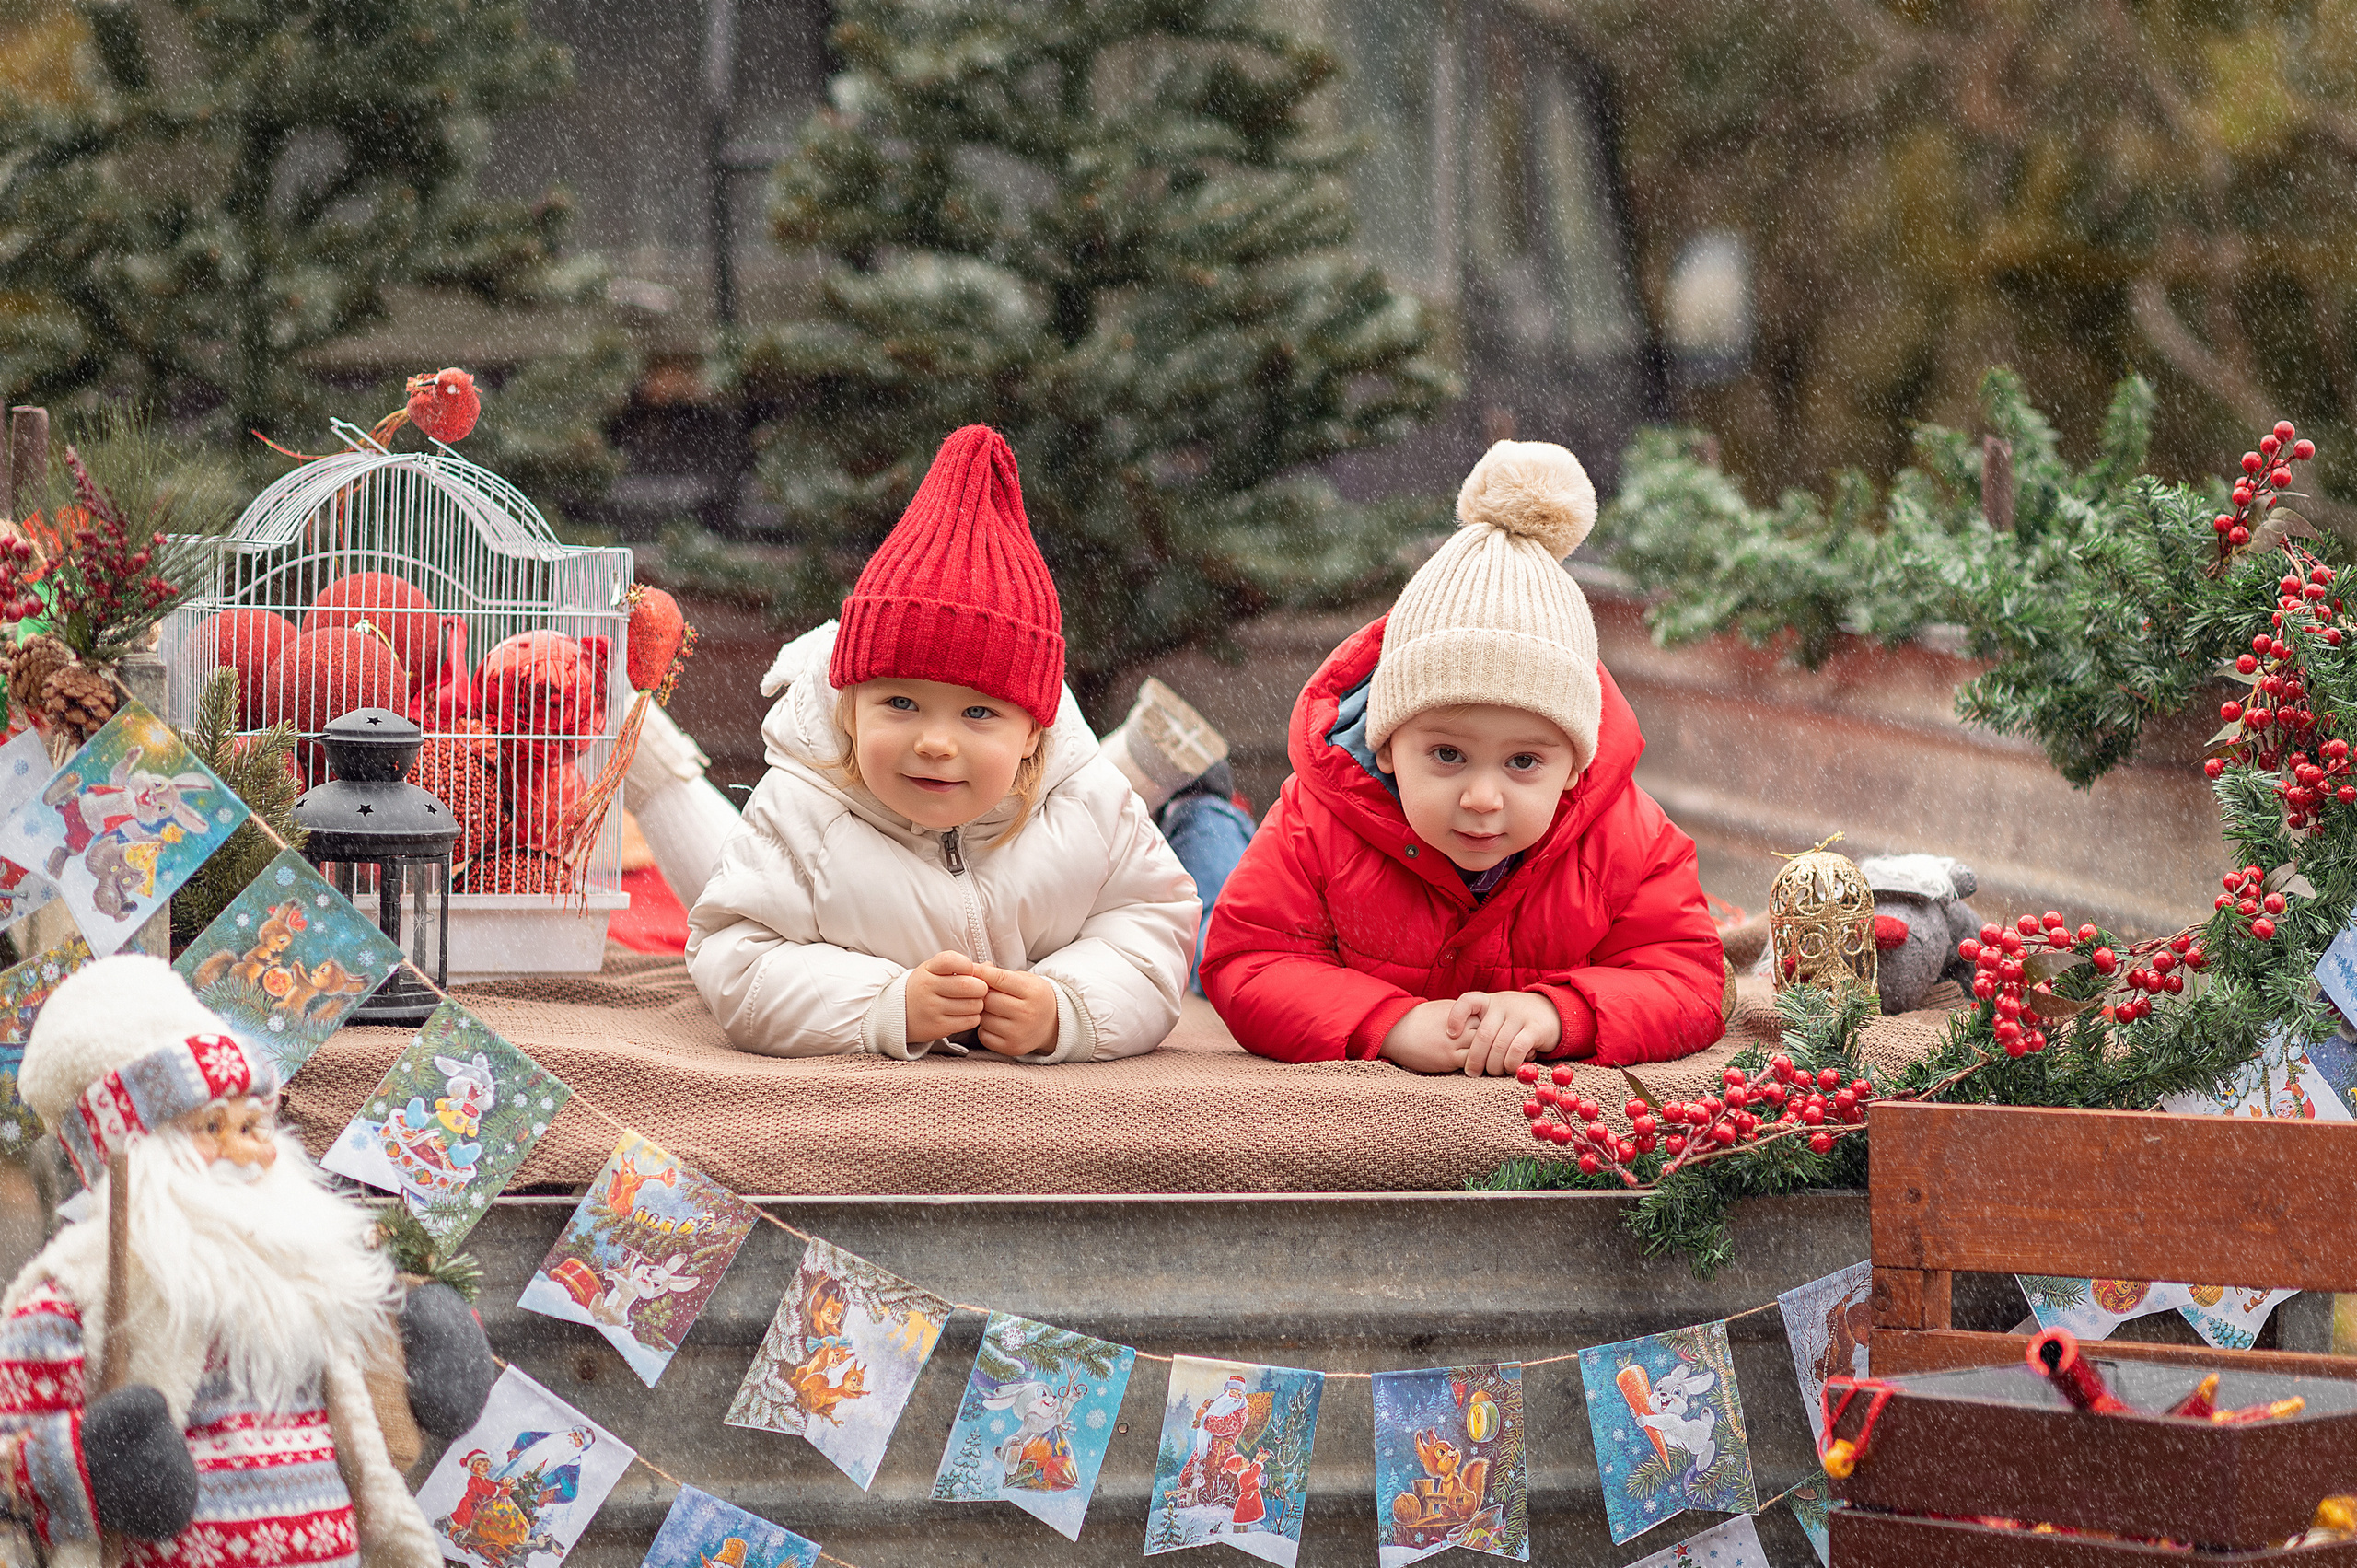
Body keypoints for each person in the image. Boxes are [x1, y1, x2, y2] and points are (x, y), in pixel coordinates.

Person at [1200, 439, 1726, 1074]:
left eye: (1523, 762)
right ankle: (1198, 812)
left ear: (1575, 766)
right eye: (1448, 753)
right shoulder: (1316, 823)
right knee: (1199, 904)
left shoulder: (1629, 840)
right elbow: (1247, 960)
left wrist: (1559, 1013)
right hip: (1262, 891)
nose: (1482, 797)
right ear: (1386, 744)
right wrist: (1389, 1023)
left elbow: (1688, 979)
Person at [687, 424, 1198, 1062]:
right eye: (900, 704)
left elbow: (1152, 930)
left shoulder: (1089, 803)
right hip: (869, 1111)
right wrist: (884, 1004)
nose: (934, 742)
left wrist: (1066, 1008)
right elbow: (737, 958)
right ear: (850, 705)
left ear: (1032, 729)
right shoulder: (801, 808)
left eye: (978, 712)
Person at [0, 955, 496, 1568]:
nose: (246, 1152)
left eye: (253, 1125)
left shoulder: (303, 1270)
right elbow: (10, 1473)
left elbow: (373, 1420)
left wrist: (428, 1343)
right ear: (139, 1151)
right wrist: (87, 1467)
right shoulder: (75, 1295)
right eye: (212, 1126)